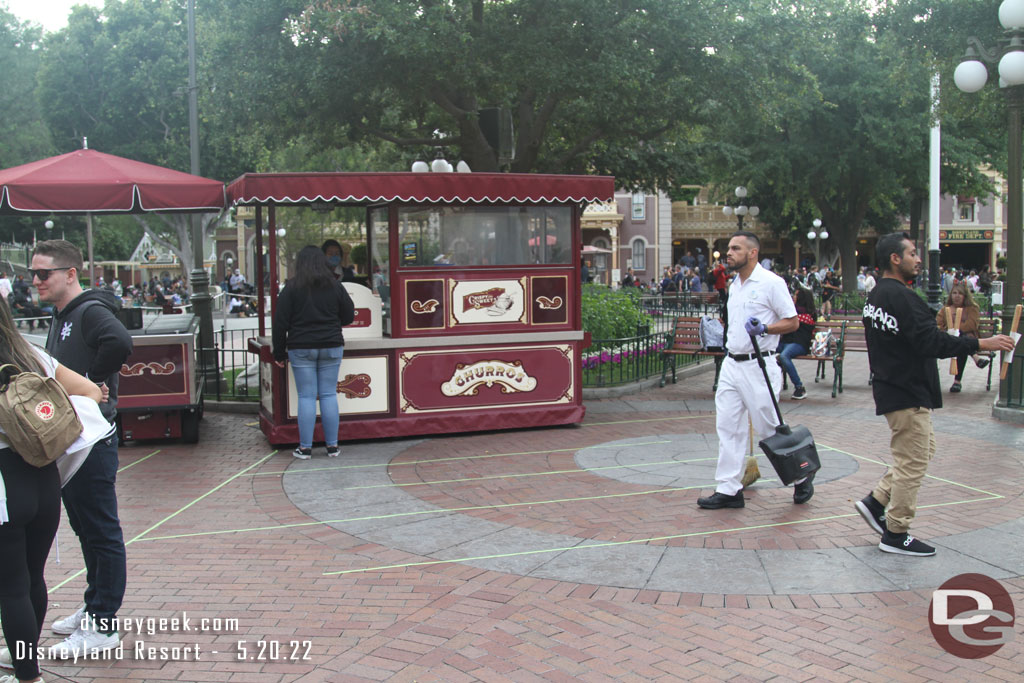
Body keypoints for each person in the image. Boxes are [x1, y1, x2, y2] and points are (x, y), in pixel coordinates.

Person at [855, 234, 1015, 557]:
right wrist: (982, 343)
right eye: (913, 253)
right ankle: (896, 531)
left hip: (893, 387)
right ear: (895, 259)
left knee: (922, 450)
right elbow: (932, 343)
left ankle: (876, 501)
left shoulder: (876, 297)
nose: (918, 259)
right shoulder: (903, 298)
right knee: (912, 460)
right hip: (906, 391)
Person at [30, 240, 133, 659]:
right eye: (33, 274)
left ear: (70, 274)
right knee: (87, 528)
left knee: (100, 530)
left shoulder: (90, 311)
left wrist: (92, 381)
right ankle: (95, 608)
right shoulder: (62, 316)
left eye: (44, 274)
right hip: (73, 439)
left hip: (91, 438)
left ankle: (103, 622)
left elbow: (121, 344)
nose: (35, 281)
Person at [0, 301, 104, 683]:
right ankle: (22, 659)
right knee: (31, 577)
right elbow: (91, 392)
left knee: (10, 588)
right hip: (43, 477)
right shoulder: (31, 356)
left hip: (4, 487)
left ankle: (27, 674)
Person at [697, 231, 814, 510]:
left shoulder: (771, 283)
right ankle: (729, 489)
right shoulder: (736, 284)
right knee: (728, 427)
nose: (729, 253)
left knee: (769, 428)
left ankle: (801, 476)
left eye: (735, 248)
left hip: (759, 364)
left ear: (752, 253)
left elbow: (793, 322)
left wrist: (766, 329)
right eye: (728, 248)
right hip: (731, 364)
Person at [273, 246, 355, 459]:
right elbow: (348, 316)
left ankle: (305, 448)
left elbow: (280, 323)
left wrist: (279, 353)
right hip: (331, 345)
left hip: (301, 347)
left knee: (307, 396)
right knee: (328, 394)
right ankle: (332, 447)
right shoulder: (335, 286)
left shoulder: (291, 288)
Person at [935, 282, 990, 393]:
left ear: (965, 296)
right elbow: (938, 325)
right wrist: (950, 332)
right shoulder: (945, 309)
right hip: (948, 339)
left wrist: (956, 330)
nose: (957, 296)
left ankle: (957, 382)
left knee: (962, 341)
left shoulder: (972, 308)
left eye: (960, 293)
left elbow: (971, 325)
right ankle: (976, 358)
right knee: (961, 341)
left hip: (969, 339)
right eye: (954, 293)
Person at [778, 285, 817, 400]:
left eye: (796, 295)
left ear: (801, 298)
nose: (793, 297)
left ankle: (799, 387)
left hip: (799, 344)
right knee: (766, 351)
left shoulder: (807, 315)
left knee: (784, 356)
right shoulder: (791, 311)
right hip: (785, 342)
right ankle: (766, 384)